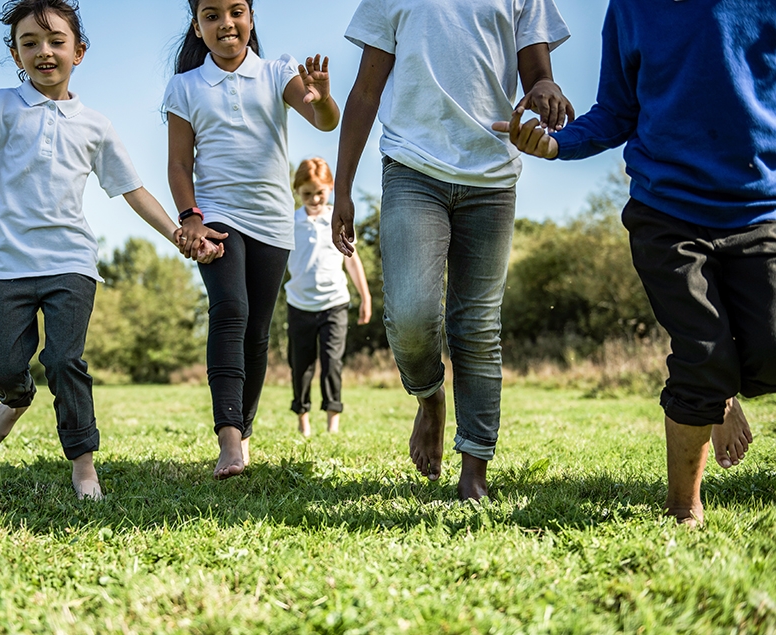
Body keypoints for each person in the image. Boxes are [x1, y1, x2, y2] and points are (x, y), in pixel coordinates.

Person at [0, 0, 221, 501]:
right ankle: (15, 398)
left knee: (64, 360)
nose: (44, 51)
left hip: (71, 264)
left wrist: (179, 233)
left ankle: (84, 467)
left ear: (79, 51)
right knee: (4, 365)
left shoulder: (95, 125)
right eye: (29, 43)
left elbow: (133, 191)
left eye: (56, 41)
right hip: (7, 267)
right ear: (15, 53)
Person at [493, 0, 775, 525]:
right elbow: (617, 110)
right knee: (702, 354)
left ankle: (722, 388)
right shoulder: (632, 7)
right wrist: (556, 144)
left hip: (760, 209)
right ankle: (684, 510)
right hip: (665, 211)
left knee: (768, 349)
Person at [331, 0, 573, 500]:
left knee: (478, 326)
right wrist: (342, 189)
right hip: (412, 167)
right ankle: (429, 395)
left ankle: (474, 471)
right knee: (413, 315)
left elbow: (535, 68)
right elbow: (365, 90)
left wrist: (545, 85)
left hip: (492, 176)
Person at [164, 0, 340, 480]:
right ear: (198, 28)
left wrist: (322, 97)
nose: (226, 23)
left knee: (257, 333)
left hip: (272, 222)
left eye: (236, 11)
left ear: (251, 18)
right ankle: (228, 440)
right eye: (212, 15)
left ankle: (243, 431)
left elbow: (325, 121)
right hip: (217, 216)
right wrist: (191, 217)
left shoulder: (277, 71)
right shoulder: (184, 86)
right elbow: (179, 164)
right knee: (230, 311)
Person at [286, 158, 372, 437]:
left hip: (335, 302)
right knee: (301, 366)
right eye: (307, 193)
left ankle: (333, 421)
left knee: (332, 362)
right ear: (297, 190)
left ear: (331, 188)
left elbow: (352, 262)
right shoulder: (290, 221)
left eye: (320, 192)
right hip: (299, 304)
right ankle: (303, 418)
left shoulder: (338, 219)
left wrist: (365, 296)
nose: (314, 199)